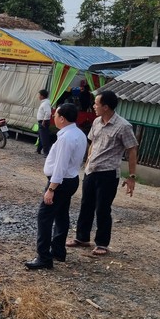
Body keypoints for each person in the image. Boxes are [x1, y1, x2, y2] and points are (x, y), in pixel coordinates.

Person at [66, 90, 138, 256]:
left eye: (96, 104)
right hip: (92, 171)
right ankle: (82, 238)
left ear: (106, 107)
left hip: (108, 174)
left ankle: (102, 243)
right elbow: (93, 142)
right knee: (86, 205)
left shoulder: (123, 126)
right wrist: (88, 160)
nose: (94, 106)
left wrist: (132, 176)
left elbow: (132, 150)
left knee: (103, 209)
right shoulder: (97, 121)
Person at [25, 103, 88, 270]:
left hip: (60, 182)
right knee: (61, 215)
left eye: (55, 115)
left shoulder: (66, 138)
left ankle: (44, 257)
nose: (53, 117)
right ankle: (58, 251)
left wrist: (51, 189)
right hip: (70, 179)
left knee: (44, 217)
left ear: (62, 118)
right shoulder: (78, 133)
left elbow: (60, 166)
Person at [36, 89, 52, 156]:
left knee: (44, 137)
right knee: (41, 136)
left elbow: (48, 113)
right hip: (41, 121)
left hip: (43, 122)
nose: (38, 96)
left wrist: (44, 121)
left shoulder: (45, 103)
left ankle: (46, 152)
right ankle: (38, 150)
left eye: (39, 95)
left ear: (42, 96)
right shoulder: (44, 103)